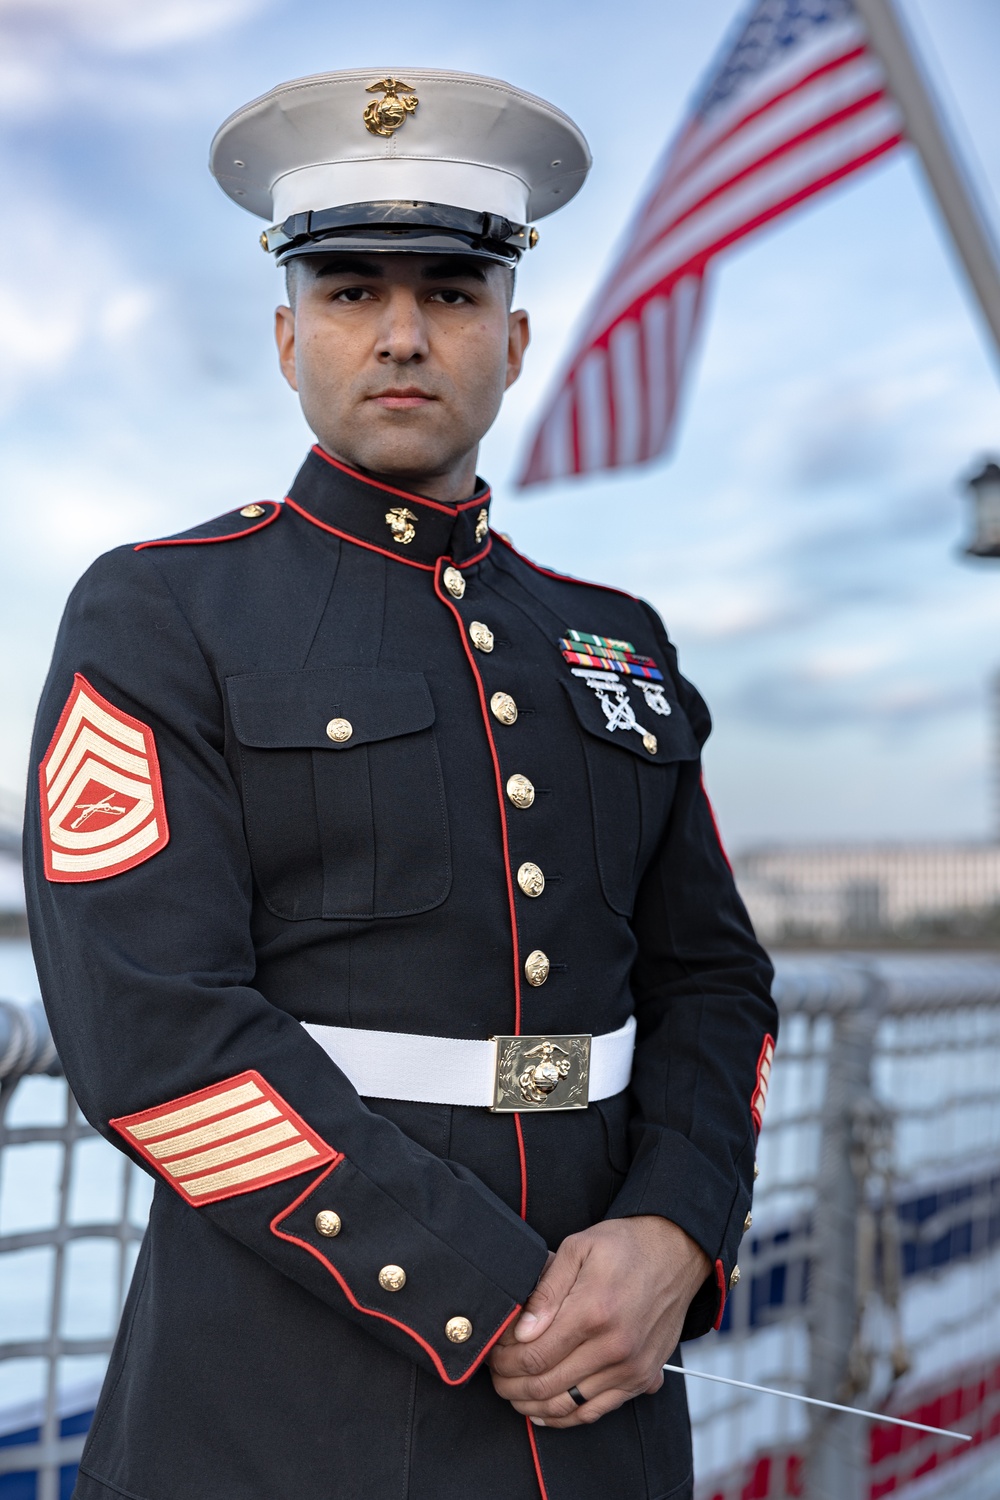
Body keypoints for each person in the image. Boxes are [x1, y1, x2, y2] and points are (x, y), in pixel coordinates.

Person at [24, 68, 776, 1500]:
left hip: (615, 1381)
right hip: (287, 1387)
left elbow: (715, 985)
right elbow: (151, 1032)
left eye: (451, 292)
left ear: (516, 334)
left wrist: (677, 1235)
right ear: (286, 335)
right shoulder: (161, 613)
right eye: (354, 292)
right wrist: (489, 1294)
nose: (405, 335)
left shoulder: (613, 641)